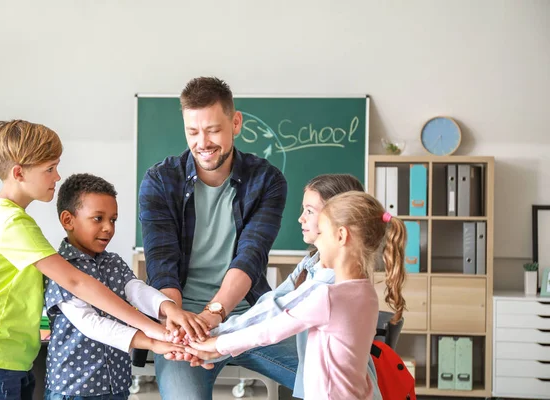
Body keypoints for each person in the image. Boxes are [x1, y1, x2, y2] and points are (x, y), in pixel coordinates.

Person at [0, 120, 180, 400]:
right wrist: (151, 329)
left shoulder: (11, 218)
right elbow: (76, 282)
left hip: (9, 359)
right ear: (18, 173)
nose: (57, 176)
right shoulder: (9, 222)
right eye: (49, 169)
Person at [135, 76, 292, 399]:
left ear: (235, 123)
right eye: (193, 132)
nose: (202, 142)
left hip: (247, 317)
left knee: (345, 372)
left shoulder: (266, 180)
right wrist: (181, 325)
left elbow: (250, 257)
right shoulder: (160, 181)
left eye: (213, 130)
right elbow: (161, 263)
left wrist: (213, 315)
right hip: (183, 320)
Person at [187, 191, 407, 400]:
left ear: (341, 236)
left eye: (321, 232)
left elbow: (267, 332)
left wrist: (214, 345)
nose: (317, 243)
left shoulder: (328, 297)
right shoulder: (366, 292)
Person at [43, 173, 211, 399]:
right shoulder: (59, 269)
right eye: (98, 218)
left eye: (112, 220)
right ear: (68, 220)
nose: (108, 228)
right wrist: (152, 341)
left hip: (117, 384)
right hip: (74, 388)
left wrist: (170, 309)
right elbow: (92, 324)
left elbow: (136, 290)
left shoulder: (112, 262)